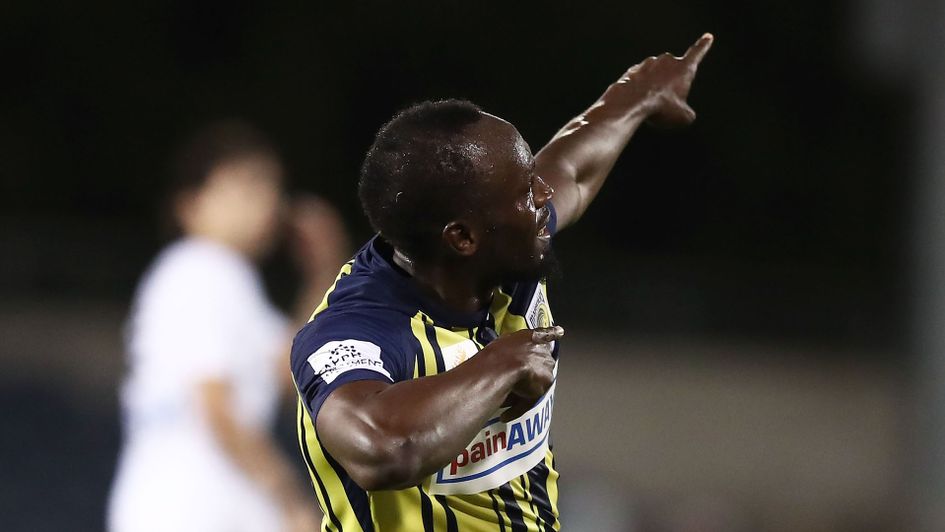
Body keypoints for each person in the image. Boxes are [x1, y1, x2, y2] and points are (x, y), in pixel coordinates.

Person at [290, 34, 714, 531]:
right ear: (463, 237)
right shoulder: (356, 329)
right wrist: (498, 367)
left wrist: (639, 93)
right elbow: (382, 450)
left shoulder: (506, 257)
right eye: (523, 190)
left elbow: (574, 167)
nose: (544, 195)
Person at [108, 121, 346, 532]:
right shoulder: (204, 267)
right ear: (191, 203)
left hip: (188, 498)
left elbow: (291, 371)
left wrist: (324, 273)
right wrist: (288, 496)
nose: (264, 202)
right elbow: (215, 406)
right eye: (245, 185)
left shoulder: (216, 278)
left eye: (270, 187)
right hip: (193, 501)